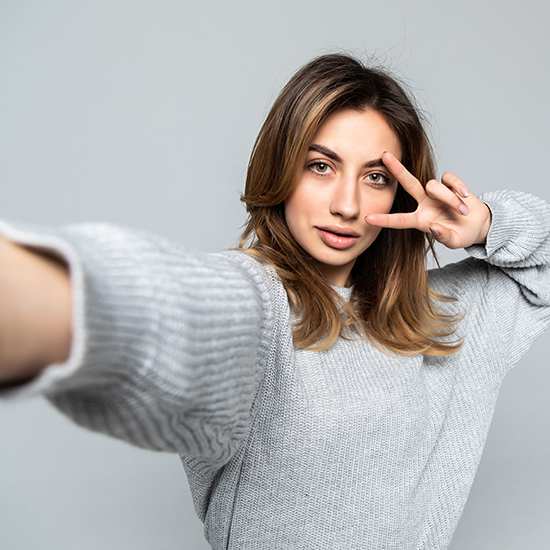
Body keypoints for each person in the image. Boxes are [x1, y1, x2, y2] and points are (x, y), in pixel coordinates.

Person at [0, 53, 549, 549]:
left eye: (376, 177)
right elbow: (167, 311)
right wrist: (39, 293)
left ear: (401, 193)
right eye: (321, 166)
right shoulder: (257, 303)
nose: (348, 205)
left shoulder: (442, 317)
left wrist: (486, 227)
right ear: (282, 167)